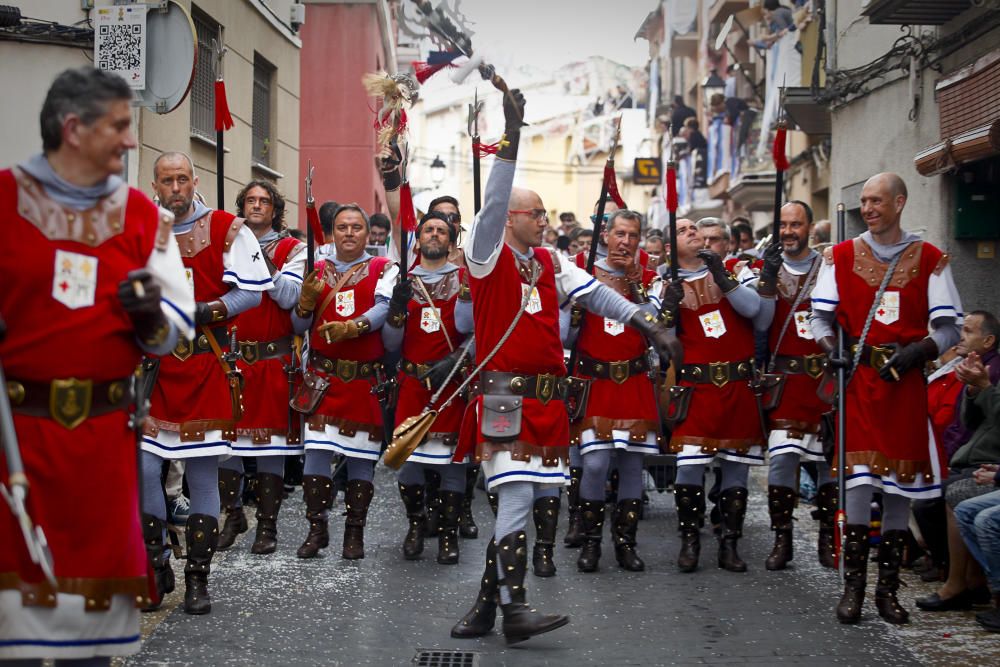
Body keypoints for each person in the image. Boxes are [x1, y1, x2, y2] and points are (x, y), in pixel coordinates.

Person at [450, 88, 677, 644]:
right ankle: (515, 609)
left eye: (547, 215)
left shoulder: (552, 261)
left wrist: (648, 324)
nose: (546, 222)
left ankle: (486, 607)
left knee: (531, 498)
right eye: (537, 214)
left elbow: (599, 297)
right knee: (520, 495)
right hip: (505, 399)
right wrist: (512, 140)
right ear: (512, 220)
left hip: (550, 400)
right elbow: (496, 201)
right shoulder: (487, 255)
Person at [0, 66, 193, 663]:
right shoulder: (3, 201)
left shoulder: (142, 216)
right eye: (118, 126)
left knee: (91, 641)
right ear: (73, 128)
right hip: (16, 446)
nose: (131, 140)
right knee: (17, 629)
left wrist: (148, 318)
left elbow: (177, 329)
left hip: (104, 449)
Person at [810, 172, 962, 624]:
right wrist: (831, 350)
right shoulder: (838, 256)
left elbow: (949, 327)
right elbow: (820, 319)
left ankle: (887, 592)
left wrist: (920, 350)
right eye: (864, 201)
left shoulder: (931, 258)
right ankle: (853, 589)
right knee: (858, 485)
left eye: (877, 200)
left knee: (900, 490)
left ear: (900, 202)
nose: (869, 208)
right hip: (859, 381)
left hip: (904, 385)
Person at [142, 152, 273, 615]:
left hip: (205, 364)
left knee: (200, 473)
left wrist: (203, 312)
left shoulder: (226, 228)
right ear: (155, 184)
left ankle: (198, 578)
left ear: (194, 180)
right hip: (155, 371)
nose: (175, 187)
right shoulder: (142, 229)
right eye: (166, 180)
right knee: (143, 470)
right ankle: (155, 565)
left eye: (182, 179)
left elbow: (252, 293)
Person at [659, 218, 769, 574]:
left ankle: (729, 545)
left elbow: (755, 312)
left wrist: (723, 277)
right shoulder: (665, 284)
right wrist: (668, 308)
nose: (692, 232)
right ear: (669, 247)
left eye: (695, 228)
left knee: (736, 472)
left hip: (737, 385)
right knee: (689, 467)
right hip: (696, 391)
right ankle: (689, 540)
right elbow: (663, 344)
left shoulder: (737, 271)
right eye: (683, 229)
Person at [293, 203, 398, 560]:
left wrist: (356, 326)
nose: (349, 233)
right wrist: (304, 305)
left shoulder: (383, 268)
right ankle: (316, 529)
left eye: (356, 227)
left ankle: (354, 532)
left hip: (363, 380)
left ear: (367, 234)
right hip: (324, 379)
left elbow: (385, 307)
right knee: (316, 455)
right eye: (342, 227)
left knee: (360, 460)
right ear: (332, 232)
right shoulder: (316, 268)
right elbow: (296, 328)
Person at [569, 209, 663, 573]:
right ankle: (591, 541)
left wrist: (637, 280)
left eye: (633, 236)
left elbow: (651, 323)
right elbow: (566, 333)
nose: (625, 242)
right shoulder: (583, 274)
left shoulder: (652, 278)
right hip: (595, 381)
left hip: (634, 380)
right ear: (606, 235)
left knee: (631, 465)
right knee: (594, 462)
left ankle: (625, 542)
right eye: (620, 234)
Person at [215, 179, 305, 555]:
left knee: (271, 448)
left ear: (274, 208)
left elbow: (289, 297)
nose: (256, 206)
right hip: (230, 360)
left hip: (271, 361)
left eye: (263, 201)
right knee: (222, 444)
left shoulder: (293, 249)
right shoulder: (223, 245)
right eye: (249, 200)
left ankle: (267, 527)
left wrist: (256, 255)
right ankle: (233, 513)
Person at [383, 208, 473, 564]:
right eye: (428, 229)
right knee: (409, 461)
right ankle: (416, 524)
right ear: (417, 238)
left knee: (452, 462)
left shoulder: (465, 278)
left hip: (450, 382)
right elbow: (391, 343)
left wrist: (456, 361)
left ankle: (448, 535)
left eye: (441, 230)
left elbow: (475, 331)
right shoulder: (402, 279)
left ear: (451, 240)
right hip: (412, 382)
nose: (434, 234)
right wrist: (396, 308)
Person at [753, 201, 838, 570]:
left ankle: (826, 538)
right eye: (783, 225)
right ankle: (782, 537)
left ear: (809, 228)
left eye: (796, 224)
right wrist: (767, 280)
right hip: (785, 381)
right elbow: (759, 323)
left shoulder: (830, 267)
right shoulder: (764, 269)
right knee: (783, 460)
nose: (789, 231)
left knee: (826, 464)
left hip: (822, 380)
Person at [917, 312, 1000, 612]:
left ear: (988, 340)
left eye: (967, 330)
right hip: (972, 457)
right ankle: (964, 577)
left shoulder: (996, 368)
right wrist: (973, 389)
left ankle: (961, 582)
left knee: (953, 494)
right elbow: (966, 420)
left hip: (986, 461)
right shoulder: (976, 367)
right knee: (927, 491)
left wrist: (986, 388)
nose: (960, 336)